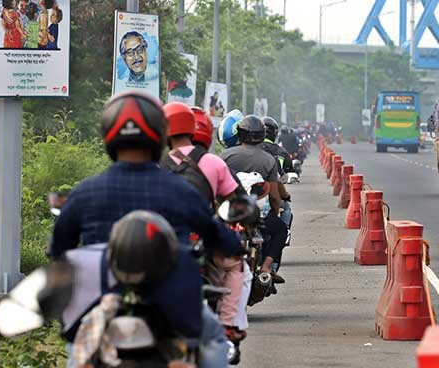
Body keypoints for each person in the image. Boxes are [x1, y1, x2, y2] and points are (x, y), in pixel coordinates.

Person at [49, 90, 241, 368]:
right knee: (212, 336)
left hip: (100, 300)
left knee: (78, 343)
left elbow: (59, 250)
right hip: (172, 302)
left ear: (109, 135)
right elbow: (217, 234)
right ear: (158, 135)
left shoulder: (84, 192)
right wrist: (234, 244)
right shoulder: (179, 190)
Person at [161, 102, 247, 344]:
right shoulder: (213, 162)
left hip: (165, 243)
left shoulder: (159, 166)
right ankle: (228, 324)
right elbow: (238, 202)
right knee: (236, 264)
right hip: (203, 239)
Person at [221, 115, 287, 283]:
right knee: (280, 229)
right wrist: (275, 212)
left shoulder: (225, 156)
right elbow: (274, 196)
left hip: (231, 213)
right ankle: (266, 266)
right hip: (258, 216)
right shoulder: (268, 160)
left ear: (240, 134)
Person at [260, 117, 294, 246]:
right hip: (272, 190)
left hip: (248, 195)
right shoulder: (280, 151)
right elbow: (287, 169)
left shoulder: (249, 149)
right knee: (286, 209)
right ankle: (285, 233)